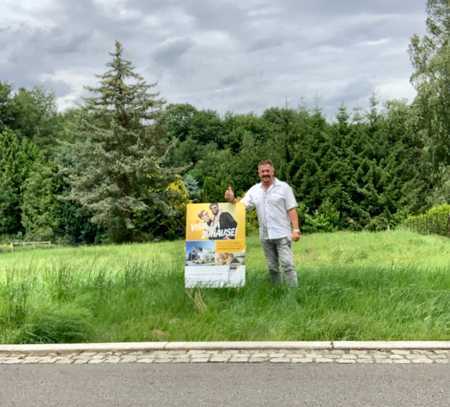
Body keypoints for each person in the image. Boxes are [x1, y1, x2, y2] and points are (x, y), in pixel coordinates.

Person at [224, 159, 300, 286]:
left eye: (267, 171)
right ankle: (277, 290)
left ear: (273, 171)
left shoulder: (284, 187)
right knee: (272, 267)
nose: (265, 173)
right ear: (259, 173)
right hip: (265, 236)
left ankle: (293, 292)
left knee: (287, 265)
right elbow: (241, 206)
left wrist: (296, 229)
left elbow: (291, 209)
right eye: (262, 171)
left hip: (282, 234)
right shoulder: (254, 190)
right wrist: (232, 200)